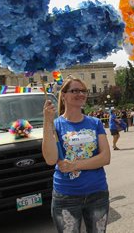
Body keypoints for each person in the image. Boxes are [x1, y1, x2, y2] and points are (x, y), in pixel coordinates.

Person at [42, 77, 111, 233]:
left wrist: (75, 165)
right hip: (66, 196)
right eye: (75, 91)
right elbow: (51, 159)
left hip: (97, 192)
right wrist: (47, 121)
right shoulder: (56, 125)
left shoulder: (95, 123)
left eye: (83, 91)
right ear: (64, 95)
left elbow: (105, 157)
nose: (80, 94)